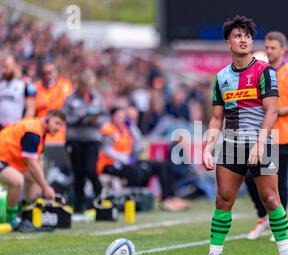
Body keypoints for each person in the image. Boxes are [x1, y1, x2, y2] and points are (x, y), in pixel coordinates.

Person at [192, 15, 288, 255]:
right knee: (223, 199)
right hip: (232, 142)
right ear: (228, 42)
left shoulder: (265, 71)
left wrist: (261, 142)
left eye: (247, 36)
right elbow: (217, 117)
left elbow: (272, 111)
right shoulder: (221, 78)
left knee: (271, 199)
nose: (243, 40)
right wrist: (208, 146)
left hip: (262, 140)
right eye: (238, 36)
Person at [245, 31, 288, 240]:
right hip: (258, 133)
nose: (269, 51)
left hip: (281, 135)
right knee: (249, 176)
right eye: (268, 47)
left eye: (273, 48)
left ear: (282, 50)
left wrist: (280, 110)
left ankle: (279, 225)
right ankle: (263, 216)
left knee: (278, 182)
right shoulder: (260, 71)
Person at [97, 107, 190, 211]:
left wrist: (132, 126)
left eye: (123, 117)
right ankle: (133, 202)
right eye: (119, 117)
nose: (121, 119)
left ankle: (168, 198)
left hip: (127, 162)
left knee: (163, 166)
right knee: (139, 172)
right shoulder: (108, 130)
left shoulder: (125, 129)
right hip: (110, 165)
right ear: (112, 117)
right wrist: (125, 159)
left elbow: (139, 145)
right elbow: (107, 150)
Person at [0, 110, 65, 229]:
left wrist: (43, 184)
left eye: (61, 125)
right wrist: (46, 187)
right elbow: (31, 163)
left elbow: (36, 163)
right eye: (57, 123)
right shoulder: (33, 132)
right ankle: (11, 218)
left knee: (35, 178)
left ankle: (29, 214)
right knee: (17, 180)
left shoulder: (41, 132)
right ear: (47, 119)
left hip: (8, 160)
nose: (58, 128)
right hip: (2, 158)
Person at [63, 70, 105, 213]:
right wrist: (79, 118)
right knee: (78, 173)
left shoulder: (97, 98)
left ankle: (101, 200)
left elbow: (104, 116)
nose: (88, 89)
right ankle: (79, 205)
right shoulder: (70, 99)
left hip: (92, 139)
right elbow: (64, 118)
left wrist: (97, 120)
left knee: (91, 170)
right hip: (75, 139)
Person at [0, 55, 36, 129]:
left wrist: (22, 128)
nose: (3, 70)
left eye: (6, 67)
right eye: (2, 67)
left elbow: (31, 108)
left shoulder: (27, 84)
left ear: (15, 66)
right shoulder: (1, 84)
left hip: (15, 129)